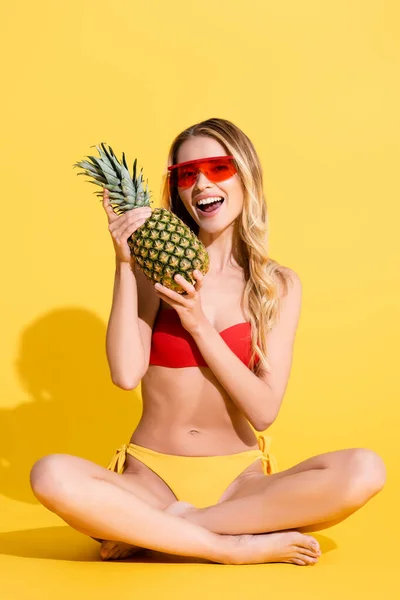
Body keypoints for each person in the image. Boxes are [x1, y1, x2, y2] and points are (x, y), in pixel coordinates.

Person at [30, 118, 386, 566]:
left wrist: (198, 324)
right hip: (149, 477)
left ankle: (159, 529)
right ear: (177, 188)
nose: (201, 184)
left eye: (218, 168)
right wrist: (124, 264)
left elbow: (263, 411)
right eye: (186, 174)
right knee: (51, 474)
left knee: (364, 469)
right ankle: (228, 545)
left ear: (246, 176)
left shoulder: (276, 285)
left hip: (239, 481)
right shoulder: (148, 270)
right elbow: (124, 374)